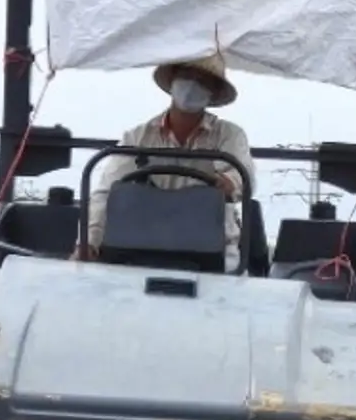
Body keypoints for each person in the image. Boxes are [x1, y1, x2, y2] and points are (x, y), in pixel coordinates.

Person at [81, 53, 256, 271]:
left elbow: (244, 177)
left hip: (214, 254)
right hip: (141, 248)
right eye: (186, 75)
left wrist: (230, 182)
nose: (192, 85)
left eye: (202, 81)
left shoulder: (229, 135)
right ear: (173, 80)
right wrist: (89, 241)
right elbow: (106, 192)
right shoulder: (137, 138)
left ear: (213, 93)